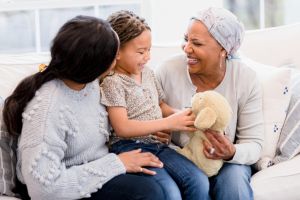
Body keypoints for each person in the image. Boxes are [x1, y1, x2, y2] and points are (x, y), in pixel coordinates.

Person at [2, 15, 166, 200]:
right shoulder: (47, 110)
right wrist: (116, 163)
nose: (118, 57)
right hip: (66, 187)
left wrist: (151, 128)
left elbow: (110, 122)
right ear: (96, 64)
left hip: (97, 169)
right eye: (115, 54)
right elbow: (43, 189)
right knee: (151, 192)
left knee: (162, 186)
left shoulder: (90, 82)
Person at [155, 7, 264, 200]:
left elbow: (254, 144)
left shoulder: (245, 79)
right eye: (186, 39)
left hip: (227, 163)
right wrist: (157, 130)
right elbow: (147, 117)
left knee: (235, 184)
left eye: (196, 43)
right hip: (179, 157)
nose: (187, 48)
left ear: (224, 49)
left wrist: (231, 152)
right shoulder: (167, 70)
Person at [101, 10, 209, 200]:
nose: (147, 57)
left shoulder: (149, 74)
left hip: (158, 145)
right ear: (116, 52)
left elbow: (160, 106)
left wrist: (183, 115)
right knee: (170, 194)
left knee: (199, 181)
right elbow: (122, 127)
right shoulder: (112, 82)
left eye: (149, 50)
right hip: (129, 148)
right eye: (141, 52)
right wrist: (167, 124)